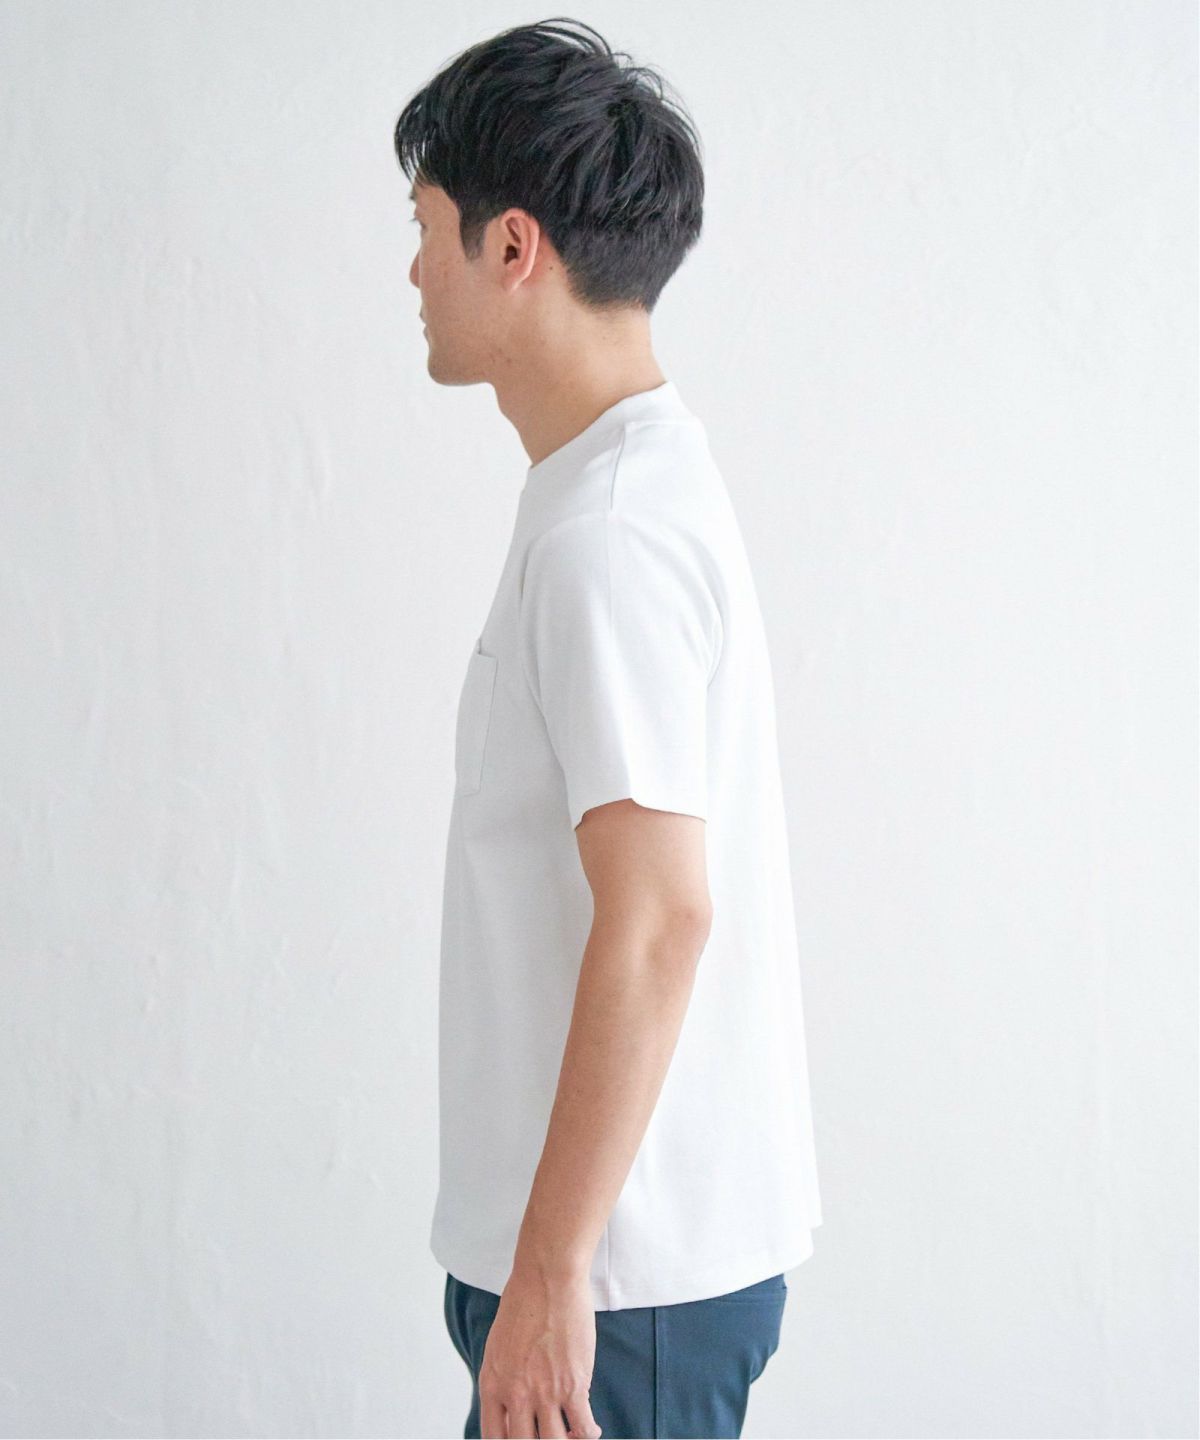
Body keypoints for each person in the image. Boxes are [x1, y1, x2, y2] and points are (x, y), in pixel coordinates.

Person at [394, 18, 823, 1440]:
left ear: (511, 247)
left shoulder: (611, 533)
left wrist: (551, 1271)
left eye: (426, 229)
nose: (413, 272)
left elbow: (659, 916)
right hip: (614, 1278)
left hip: (617, 1291)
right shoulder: (615, 490)